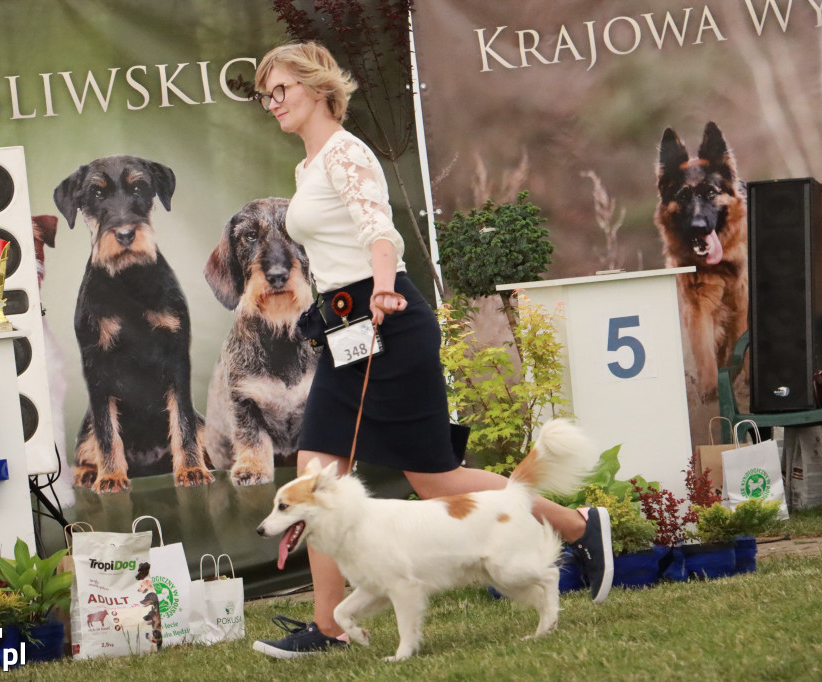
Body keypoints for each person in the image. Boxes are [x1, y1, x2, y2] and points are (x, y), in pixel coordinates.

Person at [250, 41, 613, 660]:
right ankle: (330, 628)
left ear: (316, 87)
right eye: (266, 95)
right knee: (318, 472)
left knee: (433, 478)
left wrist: (385, 291)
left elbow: (379, 232)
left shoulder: (346, 153)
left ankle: (578, 529)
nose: (273, 102)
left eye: (281, 89)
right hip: (346, 331)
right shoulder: (307, 167)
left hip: (387, 322)